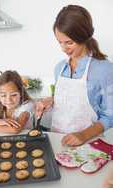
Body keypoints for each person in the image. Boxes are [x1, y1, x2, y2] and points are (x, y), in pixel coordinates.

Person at [35, 5, 113, 146]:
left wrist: (83, 135)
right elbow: (70, 102)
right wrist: (51, 101)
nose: (63, 49)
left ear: (84, 36)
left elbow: (110, 116)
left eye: (69, 43)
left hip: (89, 146)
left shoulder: (105, 70)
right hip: (57, 142)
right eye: (60, 42)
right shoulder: (59, 68)